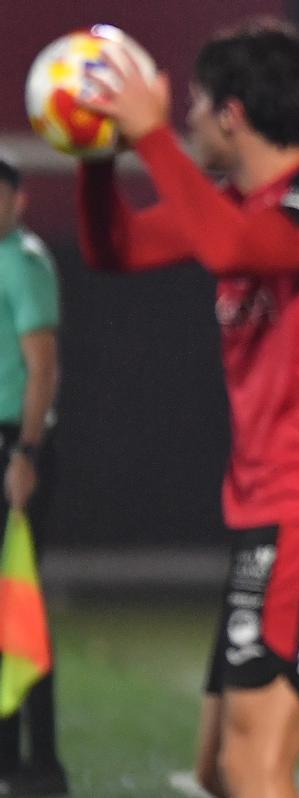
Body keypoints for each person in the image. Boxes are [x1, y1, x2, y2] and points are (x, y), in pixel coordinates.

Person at [75, 20, 299, 798]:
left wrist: (149, 139)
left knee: (255, 769)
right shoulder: (229, 206)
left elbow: (242, 252)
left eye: (190, 104)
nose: (181, 119)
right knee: (222, 772)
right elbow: (113, 249)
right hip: (271, 508)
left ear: (232, 112)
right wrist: (97, 160)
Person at [0, 152, 69, 797]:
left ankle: (37, 761)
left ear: (17, 200)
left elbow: (41, 369)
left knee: (17, 607)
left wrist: (26, 454)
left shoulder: (22, 262)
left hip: (12, 447)